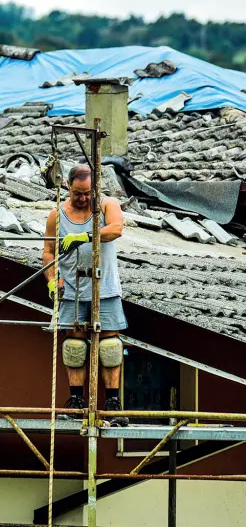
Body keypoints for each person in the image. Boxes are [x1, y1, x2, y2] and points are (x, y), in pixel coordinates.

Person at [42, 165, 128, 426]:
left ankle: (113, 402)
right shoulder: (57, 214)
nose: (82, 198)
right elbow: (48, 251)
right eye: (78, 193)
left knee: (110, 346)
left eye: (87, 193)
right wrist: (52, 279)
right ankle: (76, 401)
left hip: (106, 288)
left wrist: (86, 235)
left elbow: (116, 228)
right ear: (68, 186)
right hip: (71, 289)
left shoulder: (105, 205)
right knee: (74, 346)